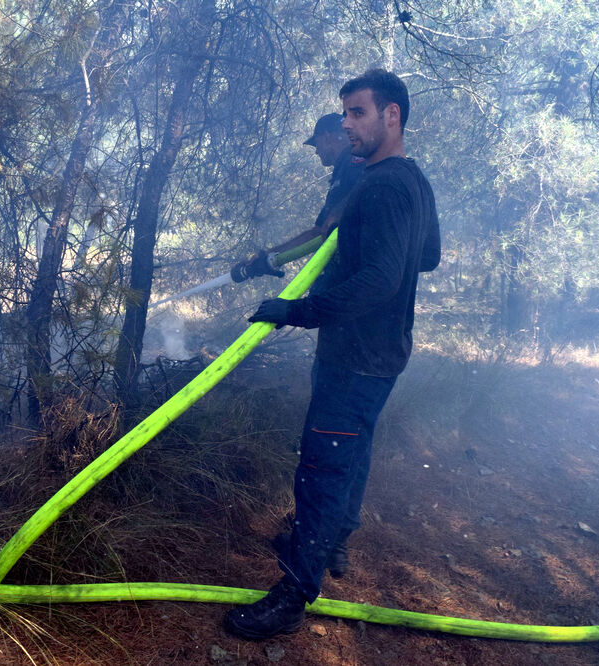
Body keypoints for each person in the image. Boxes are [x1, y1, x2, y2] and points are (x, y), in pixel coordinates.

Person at [224, 68, 442, 641]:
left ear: (391, 115)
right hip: (383, 353)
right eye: (343, 114)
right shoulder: (411, 180)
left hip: (354, 353)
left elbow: (381, 280)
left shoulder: (384, 185)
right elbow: (429, 257)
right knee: (353, 450)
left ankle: (295, 592)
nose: (345, 125)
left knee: (321, 466)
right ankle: (333, 539)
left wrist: (298, 311)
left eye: (357, 113)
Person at [230, 113, 365, 283]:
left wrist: (268, 256)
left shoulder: (352, 164)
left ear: (327, 137)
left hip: (354, 274)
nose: (316, 151)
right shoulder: (348, 166)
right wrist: (269, 256)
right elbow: (320, 231)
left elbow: (319, 232)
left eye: (316, 143)